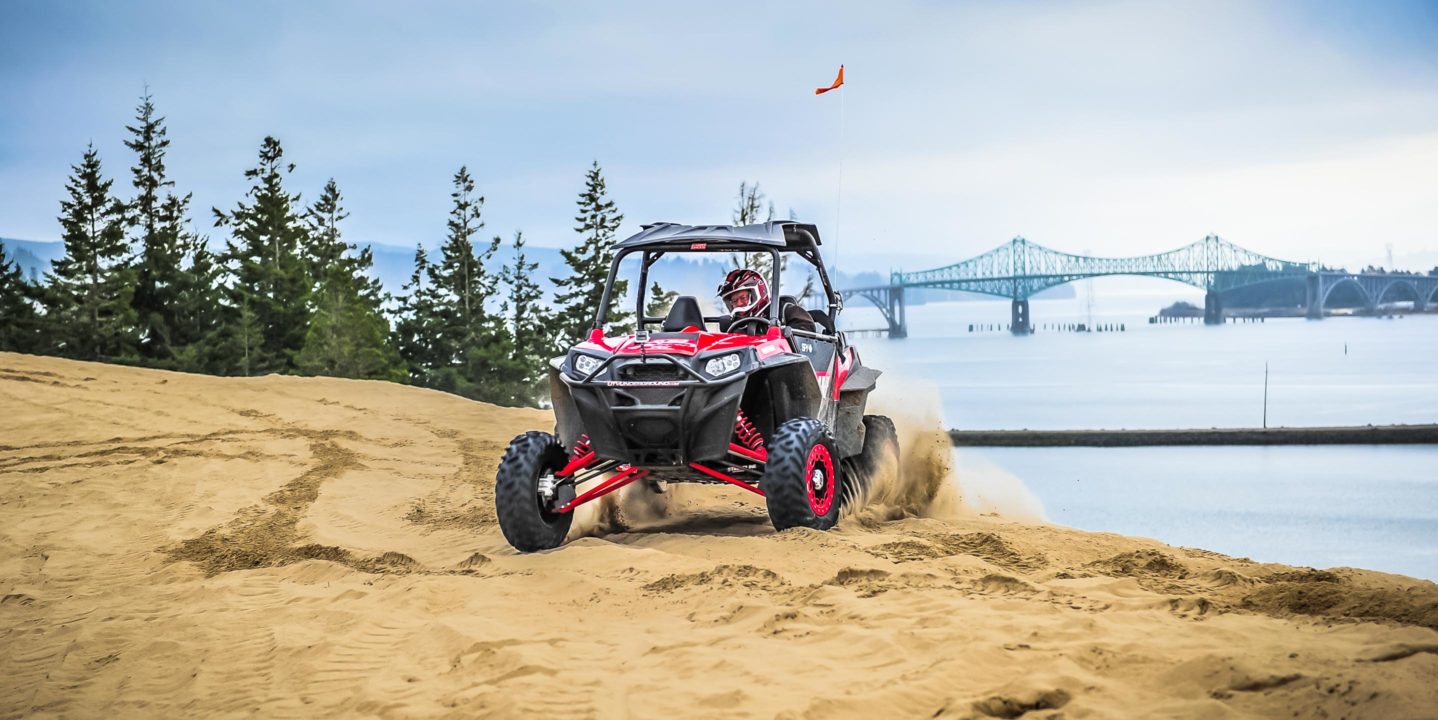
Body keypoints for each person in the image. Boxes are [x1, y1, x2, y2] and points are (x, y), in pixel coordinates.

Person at [718, 268, 816, 333]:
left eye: (743, 298)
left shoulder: (783, 311)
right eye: (734, 301)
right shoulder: (735, 325)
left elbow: (807, 329)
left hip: (781, 361)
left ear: (756, 294)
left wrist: (783, 334)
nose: (738, 304)